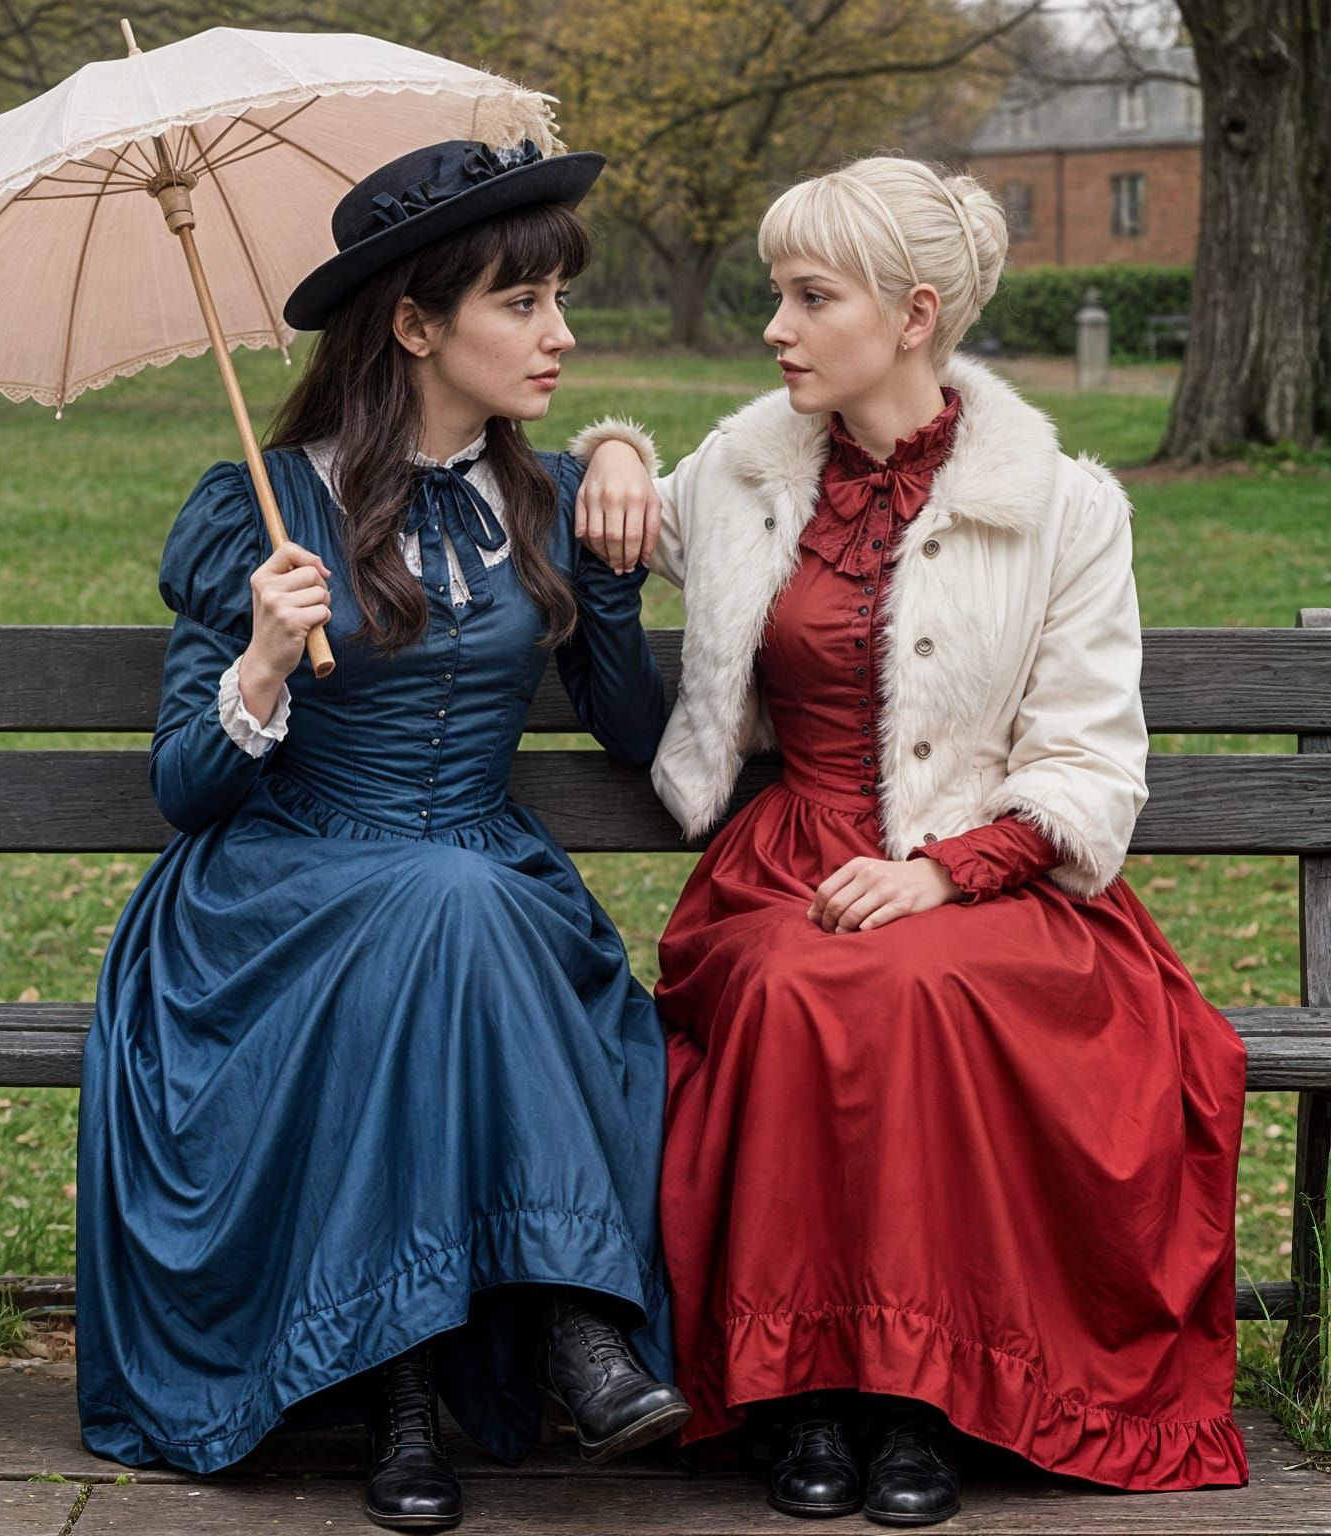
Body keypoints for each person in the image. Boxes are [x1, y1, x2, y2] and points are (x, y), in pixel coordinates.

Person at [570, 155, 1248, 1524]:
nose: (777, 327)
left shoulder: (1063, 509)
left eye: (811, 297)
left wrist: (944, 871)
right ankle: (805, 1388)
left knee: (916, 987)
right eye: (777, 292)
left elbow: (1090, 765)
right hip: (788, 863)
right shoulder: (749, 474)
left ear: (914, 313)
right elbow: (626, 499)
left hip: (995, 880)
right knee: (793, 984)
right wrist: (617, 448)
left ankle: (915, 1396)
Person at [75, 138, 689, 1533]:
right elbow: (186, 790)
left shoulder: (548, 497)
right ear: (414, 325)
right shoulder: (263, 507)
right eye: (521, 303)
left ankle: (409, 1396)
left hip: (480, 890)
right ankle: (569, 1326)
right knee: (440, 909)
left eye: (558, 300)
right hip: (278, 900)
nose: (561, 334)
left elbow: (636, 734)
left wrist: (615, 539)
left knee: (449, 909)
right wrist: (261, 664)